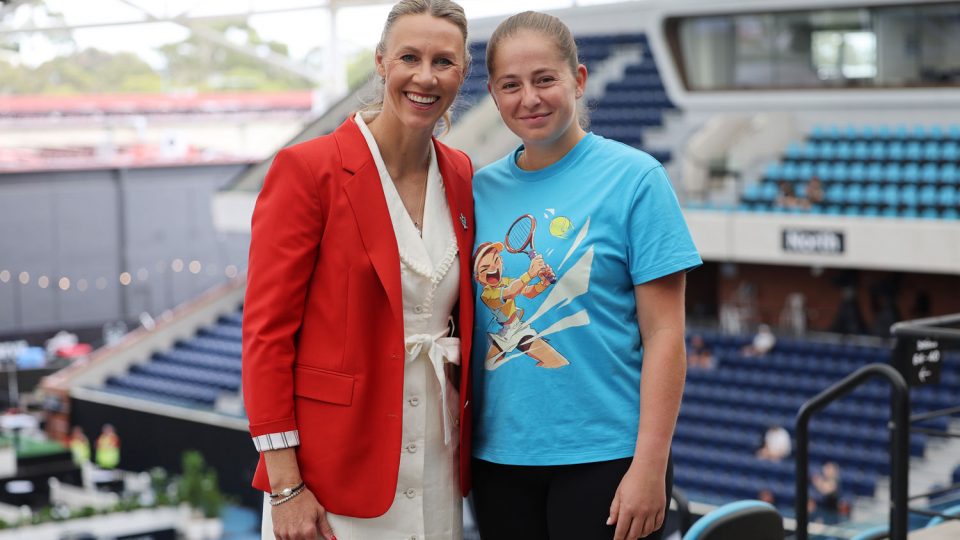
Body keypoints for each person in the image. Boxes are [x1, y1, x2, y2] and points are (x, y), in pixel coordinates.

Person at [241, 2, 475, 539]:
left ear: (462, 74)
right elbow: (265, 337)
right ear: (380, 63)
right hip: (332, 478)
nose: (425, 76)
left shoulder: (461, 173)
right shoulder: (309, 169)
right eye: (409, 57)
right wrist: (286, 489)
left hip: (436, 464)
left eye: (444, 61)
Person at [470, 11, 702, 540]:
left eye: (545, 79)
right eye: (511, 85)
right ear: (494, 94)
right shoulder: (477, 190)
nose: (529, 98)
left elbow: (665, 335)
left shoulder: (637, 178)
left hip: (608, 458)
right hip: (498, 463)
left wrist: (649, 466)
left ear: (578, 80)